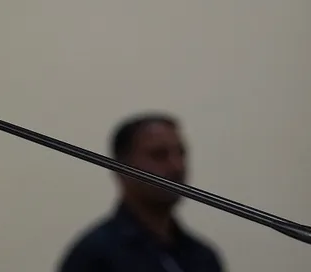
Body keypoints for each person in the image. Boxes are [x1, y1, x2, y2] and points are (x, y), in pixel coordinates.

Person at [57, 113, 226, 272]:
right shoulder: (93, 257)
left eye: (181, 154)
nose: (177, 166)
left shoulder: (203, 257)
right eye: (159, 155)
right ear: (121, 167)